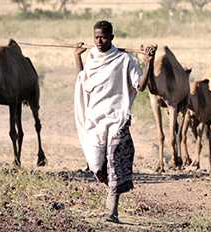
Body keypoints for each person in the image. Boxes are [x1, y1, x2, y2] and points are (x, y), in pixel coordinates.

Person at [73, 20, 156, 223]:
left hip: (117, 118)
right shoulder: (92, 58)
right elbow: (84, 82)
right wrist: (77, 58)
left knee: (114, 161)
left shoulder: (125, 60)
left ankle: (112, 211)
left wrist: (148, 62)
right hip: (95, 120)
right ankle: (111, 186)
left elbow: (141, 86)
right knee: (97, 167)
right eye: (96, 37)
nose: (99, 41)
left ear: (112, 37)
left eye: (103, 37)